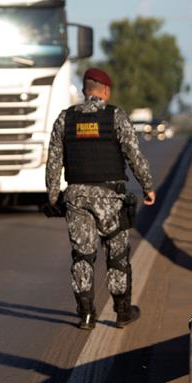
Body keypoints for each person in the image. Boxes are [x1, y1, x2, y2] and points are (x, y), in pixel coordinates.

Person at [45, 67, 155, 330]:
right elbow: (134, 155)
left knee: (82, 256)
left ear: (85, 90)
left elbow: (53, 162)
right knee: (116, 256)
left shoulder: (65, 119)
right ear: (105, 91)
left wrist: (52, 196)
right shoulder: (115, 117)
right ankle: (122, 311)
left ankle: (85, 314)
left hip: (76, 197)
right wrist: (147, 186)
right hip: (110, 198)